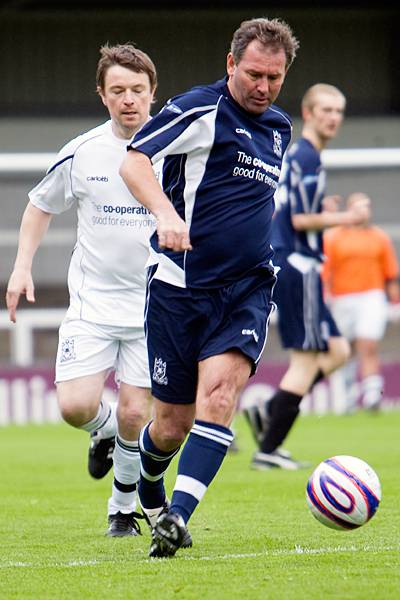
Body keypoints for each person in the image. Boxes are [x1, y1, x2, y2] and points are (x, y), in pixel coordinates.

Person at [119, 17, 300, 557]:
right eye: (253, 74)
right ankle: (150, 482)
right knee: (170, 427)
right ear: (230, 65)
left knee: (219, 398)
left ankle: (176, 516)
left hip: (246, 290)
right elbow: (134, 161)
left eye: (274, 77)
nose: (263, 87)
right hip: (179, 289)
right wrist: (165, 214)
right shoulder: (200, 108)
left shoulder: (280, 129)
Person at [6, 43, 159, 538]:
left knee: (138, 411)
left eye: (138, 90)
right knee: (75, 408)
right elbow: (39, 205)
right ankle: (103, 429)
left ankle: (121, 509)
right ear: (102, 95)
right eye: (118, 90)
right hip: (92, 306)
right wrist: (21, 267)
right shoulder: (82, 150)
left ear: (153, 92)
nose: (129, 99)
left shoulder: (175, 149)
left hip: (154, 306)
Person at [244, 83, 370, 470]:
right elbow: (299, 219)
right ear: (308, 111)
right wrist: (347, 218)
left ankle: (272, 409)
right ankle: (268, 448)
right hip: (299, 264)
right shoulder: (307, 156)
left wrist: (324, 211)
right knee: (307, 359)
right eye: (326, 110)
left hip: (295, 261)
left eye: (339, 111)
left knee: (338, 352)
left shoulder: (301, 156)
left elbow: (295, 211)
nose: (333, 117)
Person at [323, 192, 400, 411]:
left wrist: (394, 299)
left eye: (367, 207)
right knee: (345, 350)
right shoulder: (334, 237)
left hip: (371, 296)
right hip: (342, 298)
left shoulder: (379, 237)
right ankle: (346, 394)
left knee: (368, 344)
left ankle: (372, 394)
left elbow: (390, 273)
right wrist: (325, 298)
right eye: (359, 207)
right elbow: (326, 272)